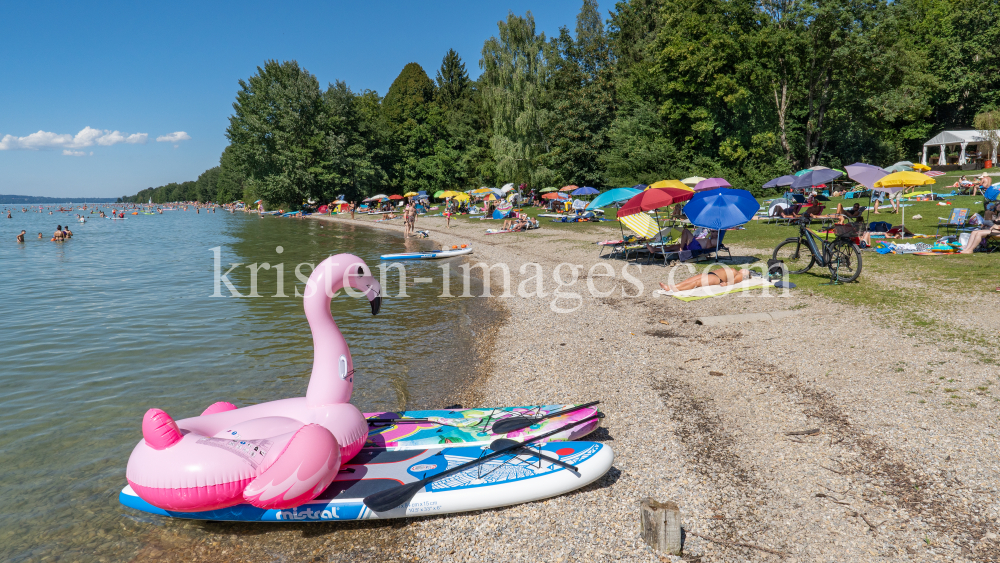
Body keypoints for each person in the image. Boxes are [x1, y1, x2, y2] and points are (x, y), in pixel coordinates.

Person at [659, 265, 753, 292]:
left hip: (716, 278)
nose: (745, 269)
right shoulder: (736, 270)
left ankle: (677, 289)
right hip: (711, 274)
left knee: (697, 282)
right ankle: (670, 287)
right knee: (690, 280)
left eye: (746, 271)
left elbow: (735, 281)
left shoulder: (740, 275)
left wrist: (727, 284)